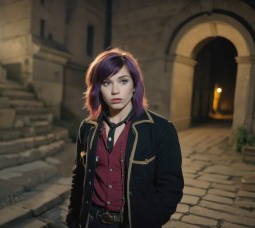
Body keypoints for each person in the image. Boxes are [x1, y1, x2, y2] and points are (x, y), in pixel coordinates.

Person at [66, 48, 184, 228]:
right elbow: (79, 177)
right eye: (106, 83)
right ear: (97, 88)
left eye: (123, 81)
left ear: (135, 84)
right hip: (91, 221)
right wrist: (73, 220)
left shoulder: (161, 130)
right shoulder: (87, 128)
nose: (115, 90)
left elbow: (171, 187)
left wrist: (149, 222)